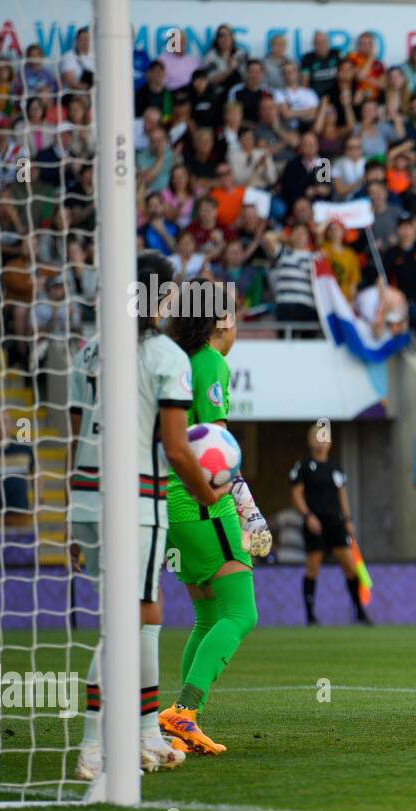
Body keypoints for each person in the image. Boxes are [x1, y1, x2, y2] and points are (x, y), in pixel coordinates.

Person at [71, 254, 223, 781]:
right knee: (128, 623)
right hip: (134, 504)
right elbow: (179, 449)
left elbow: (74, 437)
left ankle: (144, 736)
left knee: (147, 615)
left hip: (86, 499)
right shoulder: (164, 354)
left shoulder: (89, 350)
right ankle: (95, 746)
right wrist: (208, 494)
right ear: (161, 296)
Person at [160, 279, 271, 756]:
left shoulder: (172, 362)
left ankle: (180, 719)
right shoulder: (212, 364)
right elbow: (215, 456)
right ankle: (184, 711)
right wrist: (250, 514)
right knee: (241, 613)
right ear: (221, 321)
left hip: (167, 503)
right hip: (202, 502)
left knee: (207, 614)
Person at [290, 422, 371, 626]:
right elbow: (297, 495)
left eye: (324, 438)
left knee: (350, 567)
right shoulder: (304, 467)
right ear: (311, 441)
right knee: (312, 569)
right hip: (315, 524)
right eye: (318, 438)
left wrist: (348, 519)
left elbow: (342, 495)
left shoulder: (335, 467)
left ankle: (359, 612)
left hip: (335, 522)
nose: (321, 442)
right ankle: (310, 616)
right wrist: (308, 516)